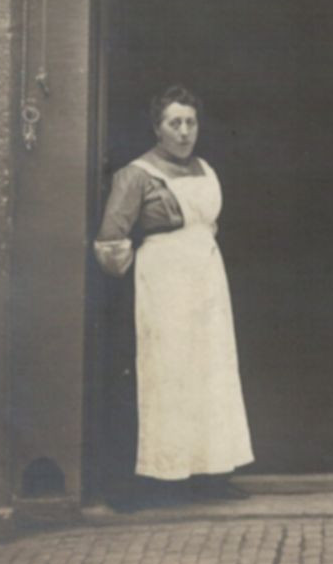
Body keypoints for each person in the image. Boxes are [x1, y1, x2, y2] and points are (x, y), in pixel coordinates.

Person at [93, 85, 255, 503]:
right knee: (168, 371)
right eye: (174, 123)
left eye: (191, 122)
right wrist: (138, 274)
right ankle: (163, 476)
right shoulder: (136, 175)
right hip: (164, 282)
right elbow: (111, 242)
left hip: (207, 278)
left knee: (212, 368)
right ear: (157, 128)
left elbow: (207, 224)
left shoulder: (205, 168)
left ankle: (212, 471)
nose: (184, 132)